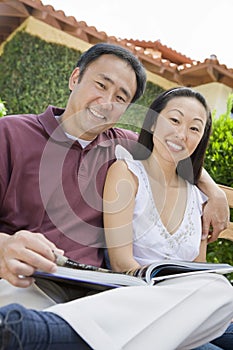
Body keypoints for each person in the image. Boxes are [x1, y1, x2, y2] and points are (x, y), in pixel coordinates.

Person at [0, 43, 232, 349]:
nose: (107, 102)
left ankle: (49, 334)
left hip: (102, 293)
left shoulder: (122, 144)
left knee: (216, 291)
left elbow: (175, 146)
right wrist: (3, 245)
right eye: (101, 84)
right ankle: (39, 331)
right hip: (30, 281)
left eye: (121, 97)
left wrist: (213, 191)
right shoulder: (10, 133)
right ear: (75, 78)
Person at [103, 87, 233, 350]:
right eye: (174, 120)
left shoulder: (198, 197)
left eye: (195, 129)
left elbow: (199, 269)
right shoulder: (127, 174)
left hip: (190, 309)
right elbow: (120, 263)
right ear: (153, 121)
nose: (182, 134)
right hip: (141, 309)